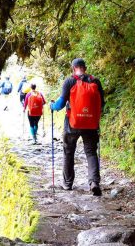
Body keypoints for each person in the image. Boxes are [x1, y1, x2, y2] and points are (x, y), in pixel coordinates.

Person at [50, 58, 104, 196]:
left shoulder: (70, 81)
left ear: (73, 68)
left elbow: (60, 104)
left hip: (72, 123)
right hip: (91, 124)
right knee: (91, 152)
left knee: (69, 151)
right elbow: (101, 103)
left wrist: (52, 106)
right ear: (84, 68)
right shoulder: (95, 81)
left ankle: (68, 184)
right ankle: (94, 183)